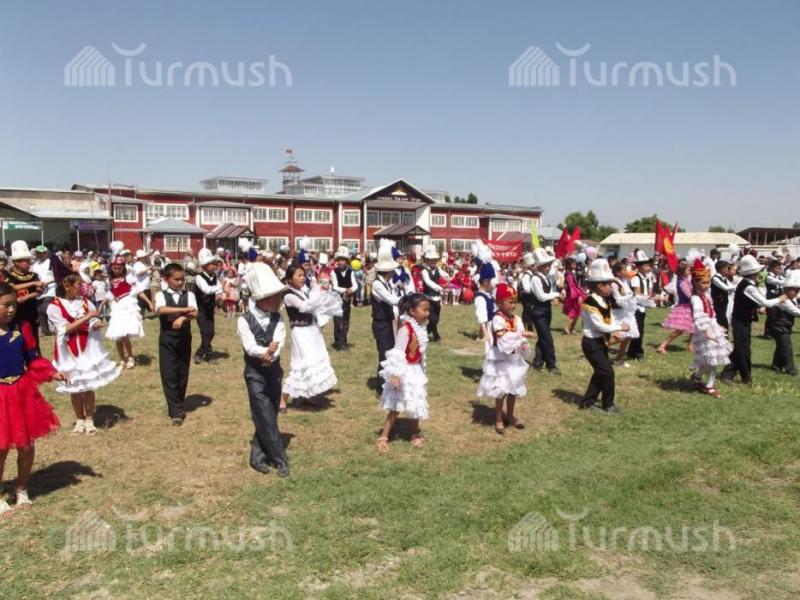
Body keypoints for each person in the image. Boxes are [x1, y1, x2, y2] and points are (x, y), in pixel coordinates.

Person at [0, 281, 63, 516]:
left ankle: (21, 488)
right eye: (6, 305)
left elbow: (33, 358)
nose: (11, 310)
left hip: (21, 392)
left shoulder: (22, 328)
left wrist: (51, 373)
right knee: (1, 448)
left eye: (14, 305)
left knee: (26, 445)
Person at [47, 274, 122, 434]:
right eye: (78, 284)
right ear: (67, 286)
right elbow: (64, 329)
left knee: (88, 386)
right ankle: (79, 419)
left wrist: (95, 323)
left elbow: (93, 320)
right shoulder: (54, 306)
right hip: (68, 349)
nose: (81, 287)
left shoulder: (86, 302)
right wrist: (87, 317)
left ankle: (89, 419)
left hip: (87, 347)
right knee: (74, 386)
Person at [237, 263, 290, 477]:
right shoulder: (244, 320)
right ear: (264, 299)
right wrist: (265, 352)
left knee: (268, 414)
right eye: (277, 296)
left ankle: (256, 457)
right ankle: (280, 459)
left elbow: (280, 341)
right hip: (255, 374)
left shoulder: (278, 319)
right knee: (264, 414)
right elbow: (249, 346)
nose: (280, 300)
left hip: (273, 373)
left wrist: (272, 355)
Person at [376, 293, 431, 453]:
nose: (427, 313)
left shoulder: (420, 328)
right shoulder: (405, 329)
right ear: (412, 311)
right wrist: (395, 374)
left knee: (415, 402)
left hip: (415, 371)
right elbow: (398, 353)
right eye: (424, 310)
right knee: (396, 404)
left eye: (428, 310)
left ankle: (414, 433)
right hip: (403, 371)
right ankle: (384, 436)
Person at [477, 283, 535, 435]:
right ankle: (498, 418)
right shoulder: (497, 319)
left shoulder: (516, 319)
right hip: (501, 359)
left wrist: (524, 346)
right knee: (501, 389)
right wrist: (521, 335)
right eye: (510, 302)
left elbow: (520, 337)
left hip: (514, 358)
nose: (513, 305)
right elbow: (503, 339)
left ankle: (510, 415)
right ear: (499, 303)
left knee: (513, 388)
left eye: (515, 302)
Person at [280, 264, 338, 411]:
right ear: (289, 279)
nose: (302, 278)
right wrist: (318, 293)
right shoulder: (288, 295)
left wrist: (318, 289)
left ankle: (307, 395)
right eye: (298, 275)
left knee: (313, 362)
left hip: (311, 330)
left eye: (303, 275)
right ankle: (283, 398)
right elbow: (305, 306)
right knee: (302, 364)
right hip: (301, 333)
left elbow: (313, 301)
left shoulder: (303, 290)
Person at [720, 255, 785, 384]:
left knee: (740, 348)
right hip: (740, 321)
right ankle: (746, 377)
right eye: (758, 272)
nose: (760, 275)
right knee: (743, 349)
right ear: (754, 274)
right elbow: (764, 302)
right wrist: (780, 299)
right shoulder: (748, 287)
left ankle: (728, 374)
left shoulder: (748, 285)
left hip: (743, 320)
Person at [579, 259, 629, 414]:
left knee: (601, 372)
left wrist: (615, 330)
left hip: (600, 341)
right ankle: (608, 404)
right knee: (607, 372)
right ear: (600, 286)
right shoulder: (590, 301)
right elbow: (599, 326)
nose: (611, 287)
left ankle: (587, 402)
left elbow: (609, 316)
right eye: (609, 284)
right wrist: (619, 327)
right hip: (591, 343)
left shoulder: (603, 299)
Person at [154, 263, 198, 426]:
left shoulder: (189, 294)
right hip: (167, 338)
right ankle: (175, 409)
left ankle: (179, 401)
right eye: (176, 279)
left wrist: (183, 318)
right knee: (168, 373)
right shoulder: (161, 295)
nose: (180, 282)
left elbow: (195, 312)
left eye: (182, 279)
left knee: (182, 371)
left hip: (184, 338)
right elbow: (160, 309)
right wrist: (183, 310)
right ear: (167, 279)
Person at [688, 259, 732, 397]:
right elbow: (698, 316)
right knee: (712, 359)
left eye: (708, 282)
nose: (707, 285)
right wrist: (706, 331)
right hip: (704, 330)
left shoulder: (705, 295)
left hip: (712, 327)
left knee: (709, 358)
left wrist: (717, 327)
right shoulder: (696, 298)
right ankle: (709, 386)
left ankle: (697, 378)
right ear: (695, 283)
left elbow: (711, 312)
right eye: (703, 283)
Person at [523, 249, 563, 374]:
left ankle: (538, 362)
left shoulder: (546, 278)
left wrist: (554, 295)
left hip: (546, 310)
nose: (548, 267)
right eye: (546, 265)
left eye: (549, 265)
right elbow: (541, 297)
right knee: (547, 338)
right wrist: (556, 295)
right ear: (539, 266)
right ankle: (551, 365)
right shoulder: (535, 279)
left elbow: (548, 293)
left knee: (542, 338)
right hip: (538, 311)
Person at [105, 256, 147, 369]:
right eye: (114, 268)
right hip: (117, 307)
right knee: (117, 335)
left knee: (124, 335)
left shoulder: (128, 278)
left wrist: (149, 302)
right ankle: (121, 358)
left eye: (119, 268)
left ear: (123, 268)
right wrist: (101, 305)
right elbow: (110, 294)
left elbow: (139, 291)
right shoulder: (110, 280)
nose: (117, 270)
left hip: (127, 306)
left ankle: (131, 357)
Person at [371, 240, 400, 390]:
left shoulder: (388, 283)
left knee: (390, 353)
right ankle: (381, 384)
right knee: (385, 354)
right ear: (389, 271)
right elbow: (392, 300)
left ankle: (385, 383)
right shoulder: (377, 284)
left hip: (387, 322)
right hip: (380, 323)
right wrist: (407, 300)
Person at [3, 242, 44, 348]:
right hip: (14, 312)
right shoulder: (7, 275)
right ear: (17, 262)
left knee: (33, 336)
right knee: (15, 337)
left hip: (31, 311)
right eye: (26, 261)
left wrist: (27, 297)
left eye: (29, 261)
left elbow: (39, 291)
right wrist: (33, 283)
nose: (29, 263)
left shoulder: (33, 275)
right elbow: (12, 287)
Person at [767, 270, 800, 376]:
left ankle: (776, 366)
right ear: (787, 289)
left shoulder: (791, 299)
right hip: (780, 327)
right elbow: (795, 312)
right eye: (795, 291)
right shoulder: (784, 300)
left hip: (784, 326)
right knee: (787, 348)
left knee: (781, 347)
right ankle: (791, 369)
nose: (796, 293)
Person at [192, 248, 222, 365]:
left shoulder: (214, 276)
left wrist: (221, 293)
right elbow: (207, 290)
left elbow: (217, 289)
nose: (214, 266)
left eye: (214, 264)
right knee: (205, 333)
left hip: (209, 309)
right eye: (211, 264)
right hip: (200, 309)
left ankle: (201, 353)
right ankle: (206, 355)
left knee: (211, 332)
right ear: (204, 266)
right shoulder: (199, 277)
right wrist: (221, 286)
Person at [657, 261, 694, 354]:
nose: (690, 271)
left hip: (689, 306)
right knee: (680, 330)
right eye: (688, 270)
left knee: (694, 328)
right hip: (685, 307)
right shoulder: (682, 282)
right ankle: (662, 345)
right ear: (682, 271)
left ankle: (690, 345)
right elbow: (689, 295)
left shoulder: (685, 280)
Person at [626, 251, 655, 361]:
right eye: (646, 266)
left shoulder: (647, 279)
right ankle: (638, 352)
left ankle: (631, 351)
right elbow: (637, 295)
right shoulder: (636, 278)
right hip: (635, 308)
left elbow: (648, 292)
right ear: (638, 267)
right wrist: (650, 298)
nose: (648, 268)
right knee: (638, 331)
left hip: (642, 307)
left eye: (649, 266)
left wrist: (651, 298)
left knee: (639, 330)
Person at [610, 263, 640, 368]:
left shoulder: (625, 281)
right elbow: (618, 300)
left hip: (627, 312)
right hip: (619, 313)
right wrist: (631, 295)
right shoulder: (614, 283)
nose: (626, 272)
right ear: (618, 272)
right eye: (624, 270)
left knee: (628, 336)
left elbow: (628, 295)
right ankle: (598, 347)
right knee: (621, 336)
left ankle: (618, 359)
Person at [331, 246, 356, 351]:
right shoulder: (334, 272)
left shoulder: (351, 272)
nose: (340, 262)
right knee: (337, 320)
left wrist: (351, 289)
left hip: (346, 300)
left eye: (343, 260)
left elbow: (355, 285)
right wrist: (346, 290)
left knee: (345, 320)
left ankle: (343, 341)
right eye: (339, 260)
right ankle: (338, 340)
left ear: (346, 261)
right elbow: (335, 286)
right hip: (336, 299)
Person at [420, 246, 445, 341]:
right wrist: (440, 288)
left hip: (437, 298)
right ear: (427, 260)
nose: (433, 262)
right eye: (431, 260)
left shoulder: (438, 269)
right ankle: (434, 335)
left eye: (434, 260)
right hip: (428, 298)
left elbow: (445, 275)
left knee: (436, 319)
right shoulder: (424, 271)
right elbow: (428, 282)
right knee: (432, 318)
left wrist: (450, 279)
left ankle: (426, 333)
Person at [30, 245, 56, 337]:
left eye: (42, 253)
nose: (40, 255)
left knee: (45, 309)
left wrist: (47, 283)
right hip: (40, 291)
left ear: (46, 253)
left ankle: (54, 327)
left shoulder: (51, 263)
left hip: (51, 290)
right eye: (38, 253)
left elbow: (57, 276)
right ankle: (45, 331)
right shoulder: (34, 266)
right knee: (40, 311)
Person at [561, 257, 586, 335]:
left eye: (575, 264)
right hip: (573, 295)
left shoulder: (570, 272)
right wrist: (578, 295)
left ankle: (571, 328)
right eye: (573, 264)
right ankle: (566, 327)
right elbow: (571, 285)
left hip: (575, 293)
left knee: (577, 312)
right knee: (574, 312)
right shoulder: (569, 274)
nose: (575, 266)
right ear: (568, 265)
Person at [710, 260, 736, 331]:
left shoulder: (724, 278)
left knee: (723, 317)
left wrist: (734, 287)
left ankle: (723, 334)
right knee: (721, 318)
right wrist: (737, 286)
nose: (728, 269)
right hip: (718, 302)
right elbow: (726, 288)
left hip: (724, 301)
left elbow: (731, 286)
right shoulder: (715, 278)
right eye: (727, 268)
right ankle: (722, 334)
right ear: (722, 269)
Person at [474, 262, 496, 341]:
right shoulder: (480, 298)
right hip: (490, 329)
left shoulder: (489, 294)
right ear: (486, 282)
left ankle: (481, 335)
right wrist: (486, 335)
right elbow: (482, 317)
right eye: (492, 280)